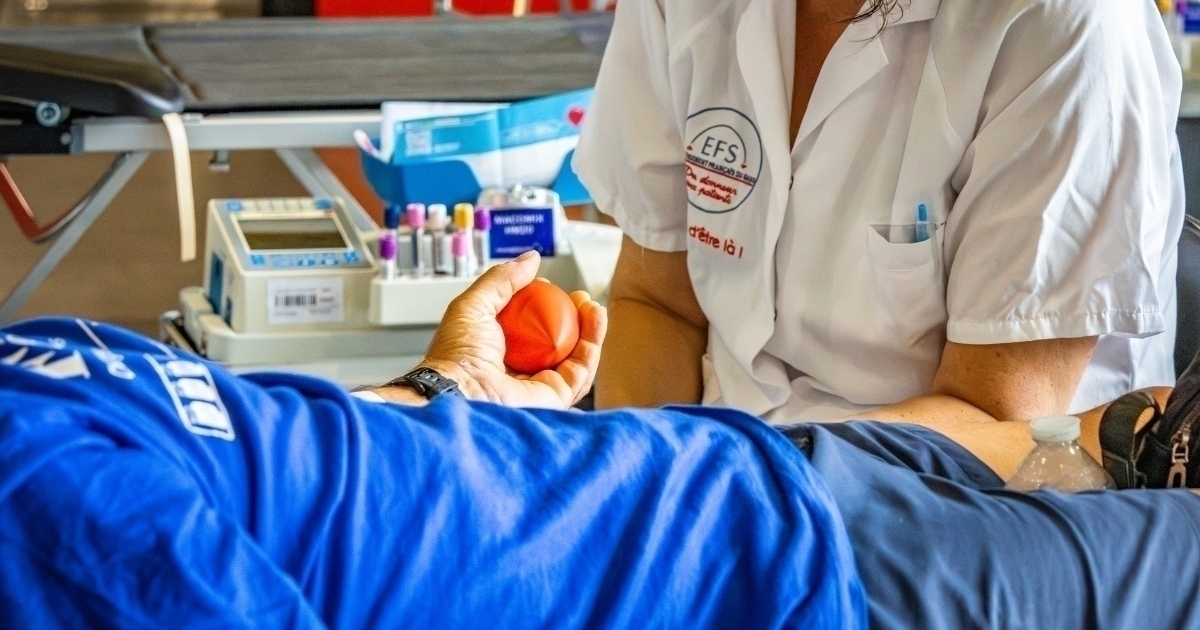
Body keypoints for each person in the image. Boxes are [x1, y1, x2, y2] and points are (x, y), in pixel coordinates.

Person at [2, 254, 1200, 629]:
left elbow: (286, 468)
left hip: (734, 468)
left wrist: (444, 389)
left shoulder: (35, 361)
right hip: (774, 587)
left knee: (1106, 439)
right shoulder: (36, 498)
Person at [572, 0, 1185, 424]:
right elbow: (658, 302)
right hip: (715, 474)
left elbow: (996, 422)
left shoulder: (1066, 25)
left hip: (956, 513)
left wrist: (727, 497)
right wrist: (646, 491)